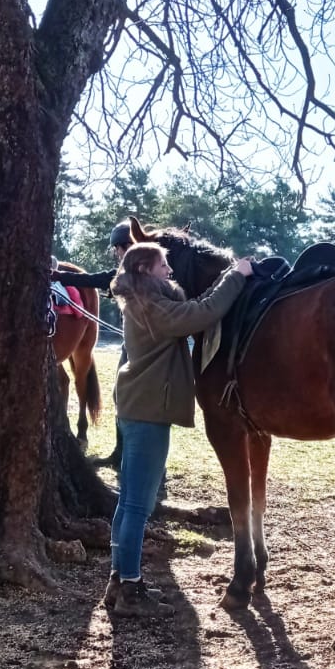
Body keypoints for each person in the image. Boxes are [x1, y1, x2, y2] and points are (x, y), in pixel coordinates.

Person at [105, 240, 253, 617]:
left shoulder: (141, 301)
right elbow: (203, 312)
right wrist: (236, 276)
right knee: (139, 505)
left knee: (128, 502)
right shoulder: (151, 306)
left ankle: (119, 580)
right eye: (162, 267)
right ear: (143, 271)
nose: (169, 272)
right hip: (148, 411)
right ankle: (132, 591)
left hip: (139, 407)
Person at [52, 219, 134, 471]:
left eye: (118, 250)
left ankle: (127, 455)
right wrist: (59, 275)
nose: (117, 255)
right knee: (122, 394)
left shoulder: (136, 274)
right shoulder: (133, 271)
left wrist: (61, 275)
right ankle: (121, 453)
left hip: (140, 345)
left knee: (128, 396)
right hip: (132, 342)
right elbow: (102, 278)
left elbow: (104, 279)